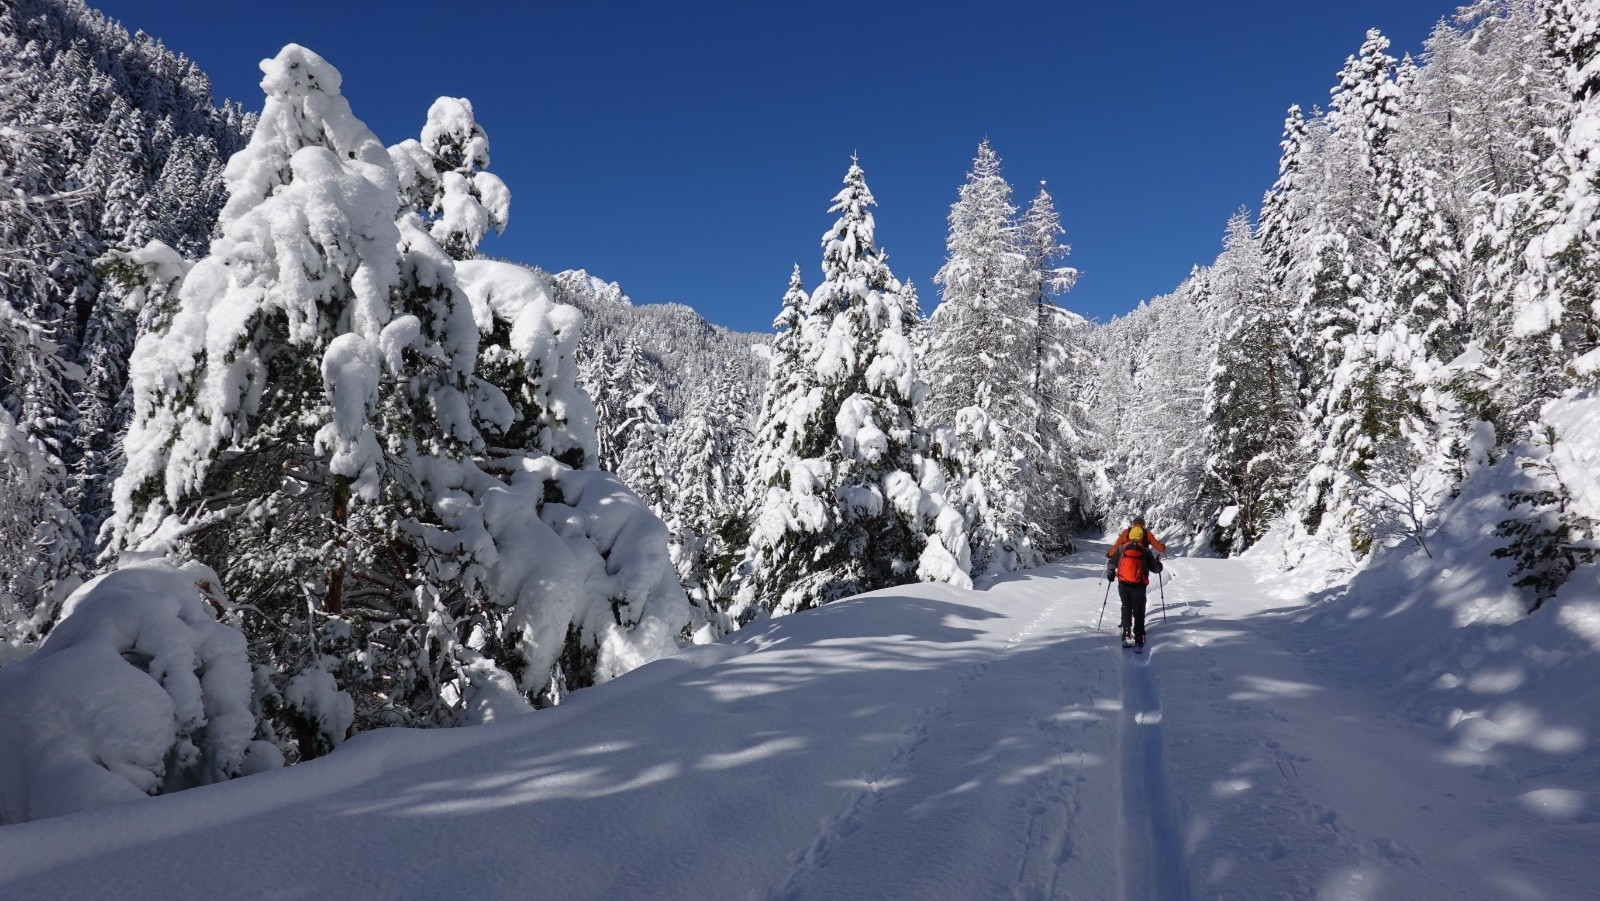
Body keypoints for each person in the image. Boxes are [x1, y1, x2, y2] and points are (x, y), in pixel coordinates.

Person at [1106, 515, 1166, 649]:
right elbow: (1155, 568)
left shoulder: (1122, 547)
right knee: (1139, 609)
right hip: (1139, 583)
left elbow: (1112, 561)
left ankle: (1126, 633)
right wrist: (1159, 564)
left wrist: (1110, 573)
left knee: (1126, 606)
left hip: (1123, 582)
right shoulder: (1146, 550)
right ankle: (1139, 635)